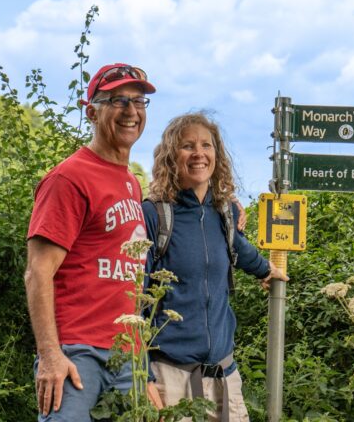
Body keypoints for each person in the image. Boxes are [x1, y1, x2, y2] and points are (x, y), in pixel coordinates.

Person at [24, 63, 164, 420]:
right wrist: (51, 354)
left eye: (139, 102)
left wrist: (141, 367)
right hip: (76, 355)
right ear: (92, 111)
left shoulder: (131, 182)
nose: (131, 112)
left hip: (125, 357)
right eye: (118, 101)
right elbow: (38, 272)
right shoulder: (68, 178)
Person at [142, 112, 288, 422]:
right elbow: (134, 302)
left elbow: (237, 247)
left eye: (206, 145)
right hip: (170, 379)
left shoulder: (224, 211)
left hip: (224, 377)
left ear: (216, 154)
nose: (199, 154)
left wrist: (265, 270)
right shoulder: (155, 216)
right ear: (171, 156)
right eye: (187, 146)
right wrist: (144, 379)